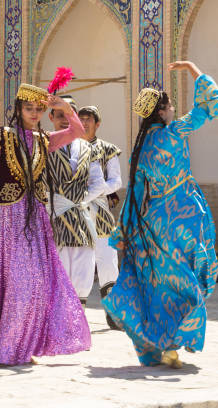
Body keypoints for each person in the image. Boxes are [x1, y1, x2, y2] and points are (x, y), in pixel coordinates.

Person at [103, 61, 218, 368]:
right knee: (189, 279)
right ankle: (176, 339)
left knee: (159, 282)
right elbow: (210, 104)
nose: (172, 110)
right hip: (184, 217)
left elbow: (135, 196)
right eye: (169, 106)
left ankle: (159, 345)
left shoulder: (140, 150)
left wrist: (124, 233)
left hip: (154, 224)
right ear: (161, 111)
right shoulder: (175, 132)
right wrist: (193, 68)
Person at [0, 84, 91, 366]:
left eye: (39, 109)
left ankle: (23, 346)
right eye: (29, 108)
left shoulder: (44, 139)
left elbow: (78, 132)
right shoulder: (3, 136)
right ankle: (7, 347)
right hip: (6, 216)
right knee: (16, 282)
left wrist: (63, 106)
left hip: (35, 217)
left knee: (37, 282)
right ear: (19, 109)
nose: (35, 113)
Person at [46, 97, 107, 308]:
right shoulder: (44, 145)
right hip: (53, 215)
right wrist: (55, 202)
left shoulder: (88, 148)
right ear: (51, 117)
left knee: (83, 265)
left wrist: (77, 201)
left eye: (69, 114)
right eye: (60, 114)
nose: (65, 120)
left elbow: (98, 183)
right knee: (58, 265)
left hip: (80, 215)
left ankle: (77, 320)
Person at [78, 105, 123, 329]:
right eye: (81, 118)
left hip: (101, 212)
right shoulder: (70, 146)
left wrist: (95, 191)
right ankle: (77, 315)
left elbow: (117, 181)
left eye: (89, 119)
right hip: (74, 214)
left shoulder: (108, 149)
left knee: (107, 262)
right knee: (79, 264)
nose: (84, 123)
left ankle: (112, 313)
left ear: (97, 123)